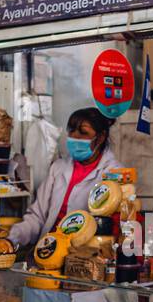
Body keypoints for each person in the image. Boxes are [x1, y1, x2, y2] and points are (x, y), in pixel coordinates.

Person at [7, 107, 123, 249]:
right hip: (48, 249)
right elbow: (37, 217)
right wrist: (12, 237)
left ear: (100, 137)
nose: (75, 136)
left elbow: (111, 224)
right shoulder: (58, 167)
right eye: (72, 130)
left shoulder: (113, 173)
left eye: (83, 132)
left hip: (84, 254)